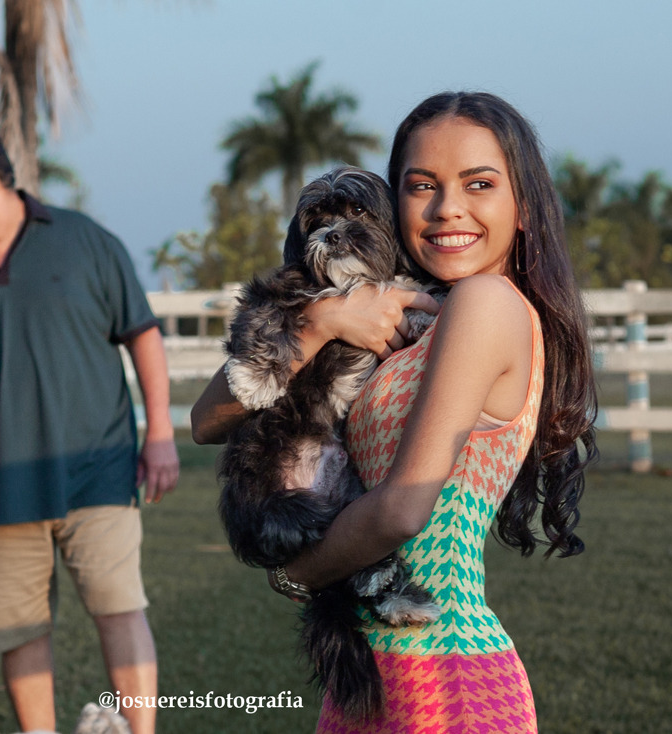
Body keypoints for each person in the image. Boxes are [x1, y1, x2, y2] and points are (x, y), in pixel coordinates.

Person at [192, 91, 598, 733]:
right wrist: (323, 319)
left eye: (480, 183)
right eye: (422, 185)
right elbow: (207, 420)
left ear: (523, 206)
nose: (448, 209)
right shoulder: (413, 312)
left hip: (447, 680)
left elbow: (402, 507)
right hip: (376, 672)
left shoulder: (486, 304)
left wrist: (294, 579)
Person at [0, 131, 179, 734]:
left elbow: (142, 334)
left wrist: (159, 432)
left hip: (97, 471)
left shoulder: (87, 242)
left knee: (119, 609)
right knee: (18, 630)